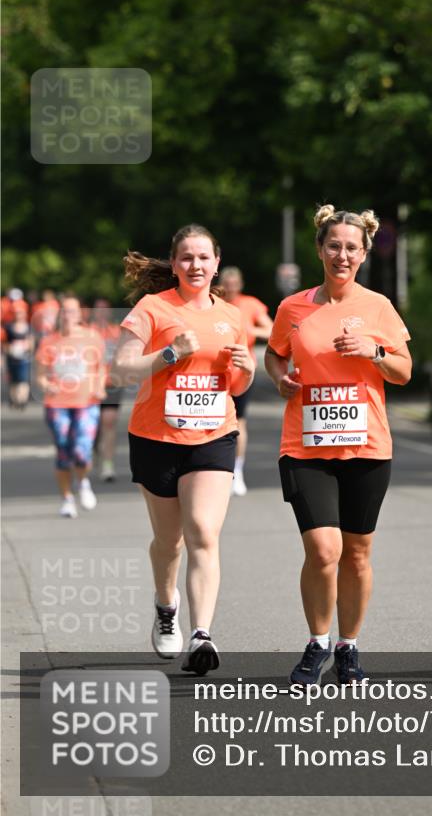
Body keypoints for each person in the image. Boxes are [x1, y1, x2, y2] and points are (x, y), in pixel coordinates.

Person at [265, 205, 412, 686]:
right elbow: (273, 356)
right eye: (334, 246)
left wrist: (374, 351)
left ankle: (349, 648)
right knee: (323, 549)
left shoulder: (379, 307)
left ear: (364, 253)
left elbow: (404, 371)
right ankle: (317, 643)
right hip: (305, 445)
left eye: (352, 247)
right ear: (320, 249)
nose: (342, 255)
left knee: (357, 553)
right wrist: (281, 378)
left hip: (367, 445)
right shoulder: (294, 308)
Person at [112, 224, 254, 675]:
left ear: (217, 263)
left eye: (203, 258)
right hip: (156, 437)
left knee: (202, 531)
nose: (196, 265)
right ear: (174, 264)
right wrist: (170, 354)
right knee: (169, 542)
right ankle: (165, 606)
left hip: (214, 434)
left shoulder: (231, 316)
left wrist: (247, 370)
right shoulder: (151, 308)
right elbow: (122, 370)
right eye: (187, 258)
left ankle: (202, 635)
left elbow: (235, 383)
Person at [35, 296, 106, 518]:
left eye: (72, 312)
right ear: (59, 315)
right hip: (58, 404)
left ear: (80, 314)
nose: (68, 316)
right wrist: (47, 385)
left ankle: (83, 481)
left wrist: (99, 387)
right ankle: (66, 498)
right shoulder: (49, 341)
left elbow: (101, 367)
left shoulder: (92, 337)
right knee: (64, 451)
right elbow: (39, 376)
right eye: (64, 311)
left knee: (81, 450)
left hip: (86, 402)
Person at [218, 266, 273, 495]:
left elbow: (271, 330)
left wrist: (249, 329)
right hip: (215, 372)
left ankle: (237, 471)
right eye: (226, 285)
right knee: (215, 422)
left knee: (239, 422)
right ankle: (216, 471)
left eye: (234, 285)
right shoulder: (213, 303)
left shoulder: (250, 304)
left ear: (240, 285)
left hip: (241, 373)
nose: (230, 289)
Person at [90, 298, 124, 483]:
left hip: (112, 383)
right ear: (94, 312)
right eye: (98, 309)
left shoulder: (116, 332)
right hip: (91, 385)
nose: (102, 313)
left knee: (108, 422)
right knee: (94, 425)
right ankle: (95, 448)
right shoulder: (87, 333)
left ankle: (108, 464)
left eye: (105, 310)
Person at [2, 300, 33, 408]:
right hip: (12, 357)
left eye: (21, 313)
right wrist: (9, 349)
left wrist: (27, 346)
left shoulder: (29, 327)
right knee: (13, 379)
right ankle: (14, 400)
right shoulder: (8, 327)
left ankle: (22, 400)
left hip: (24, 357)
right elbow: (4, 342)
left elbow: (32, 343)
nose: (19, 315)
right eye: (17, 313)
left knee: (23, 379)